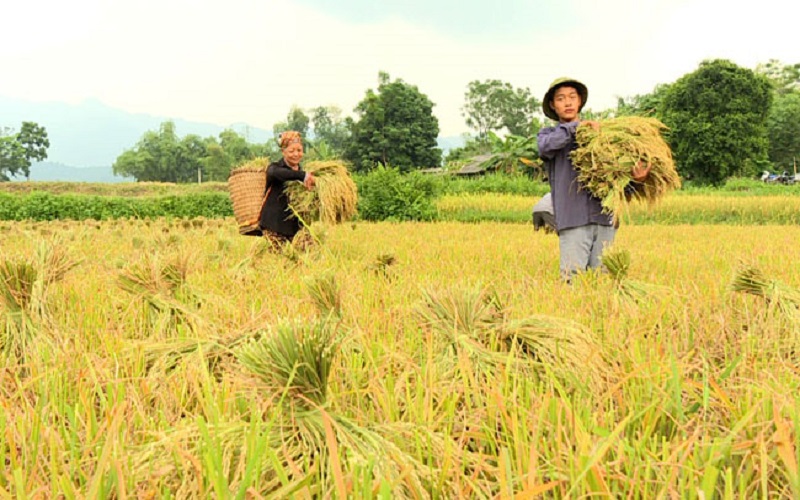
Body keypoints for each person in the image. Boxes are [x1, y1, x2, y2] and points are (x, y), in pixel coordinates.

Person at [537, 77, 650, 282]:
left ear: (580, 101)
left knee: (604, 279)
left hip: (605, 219)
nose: (568, 102)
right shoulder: (550, 136)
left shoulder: (603, 138)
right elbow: (545, 147)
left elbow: (617, 181)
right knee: (572, 279)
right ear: (553, 105)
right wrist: (576, 128)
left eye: (572, 97)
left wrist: (637, 180)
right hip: (573, 220)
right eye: (561, 98)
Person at [259, 131, 316, 248]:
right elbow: (281, 173)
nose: (296, 154)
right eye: (291, 151)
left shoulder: (304, 172)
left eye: (299, 150)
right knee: (277, 260)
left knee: (309, 254)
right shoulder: (275, 169)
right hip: (274, 225)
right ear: (283, 152)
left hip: (296, 225)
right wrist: (302, 176)